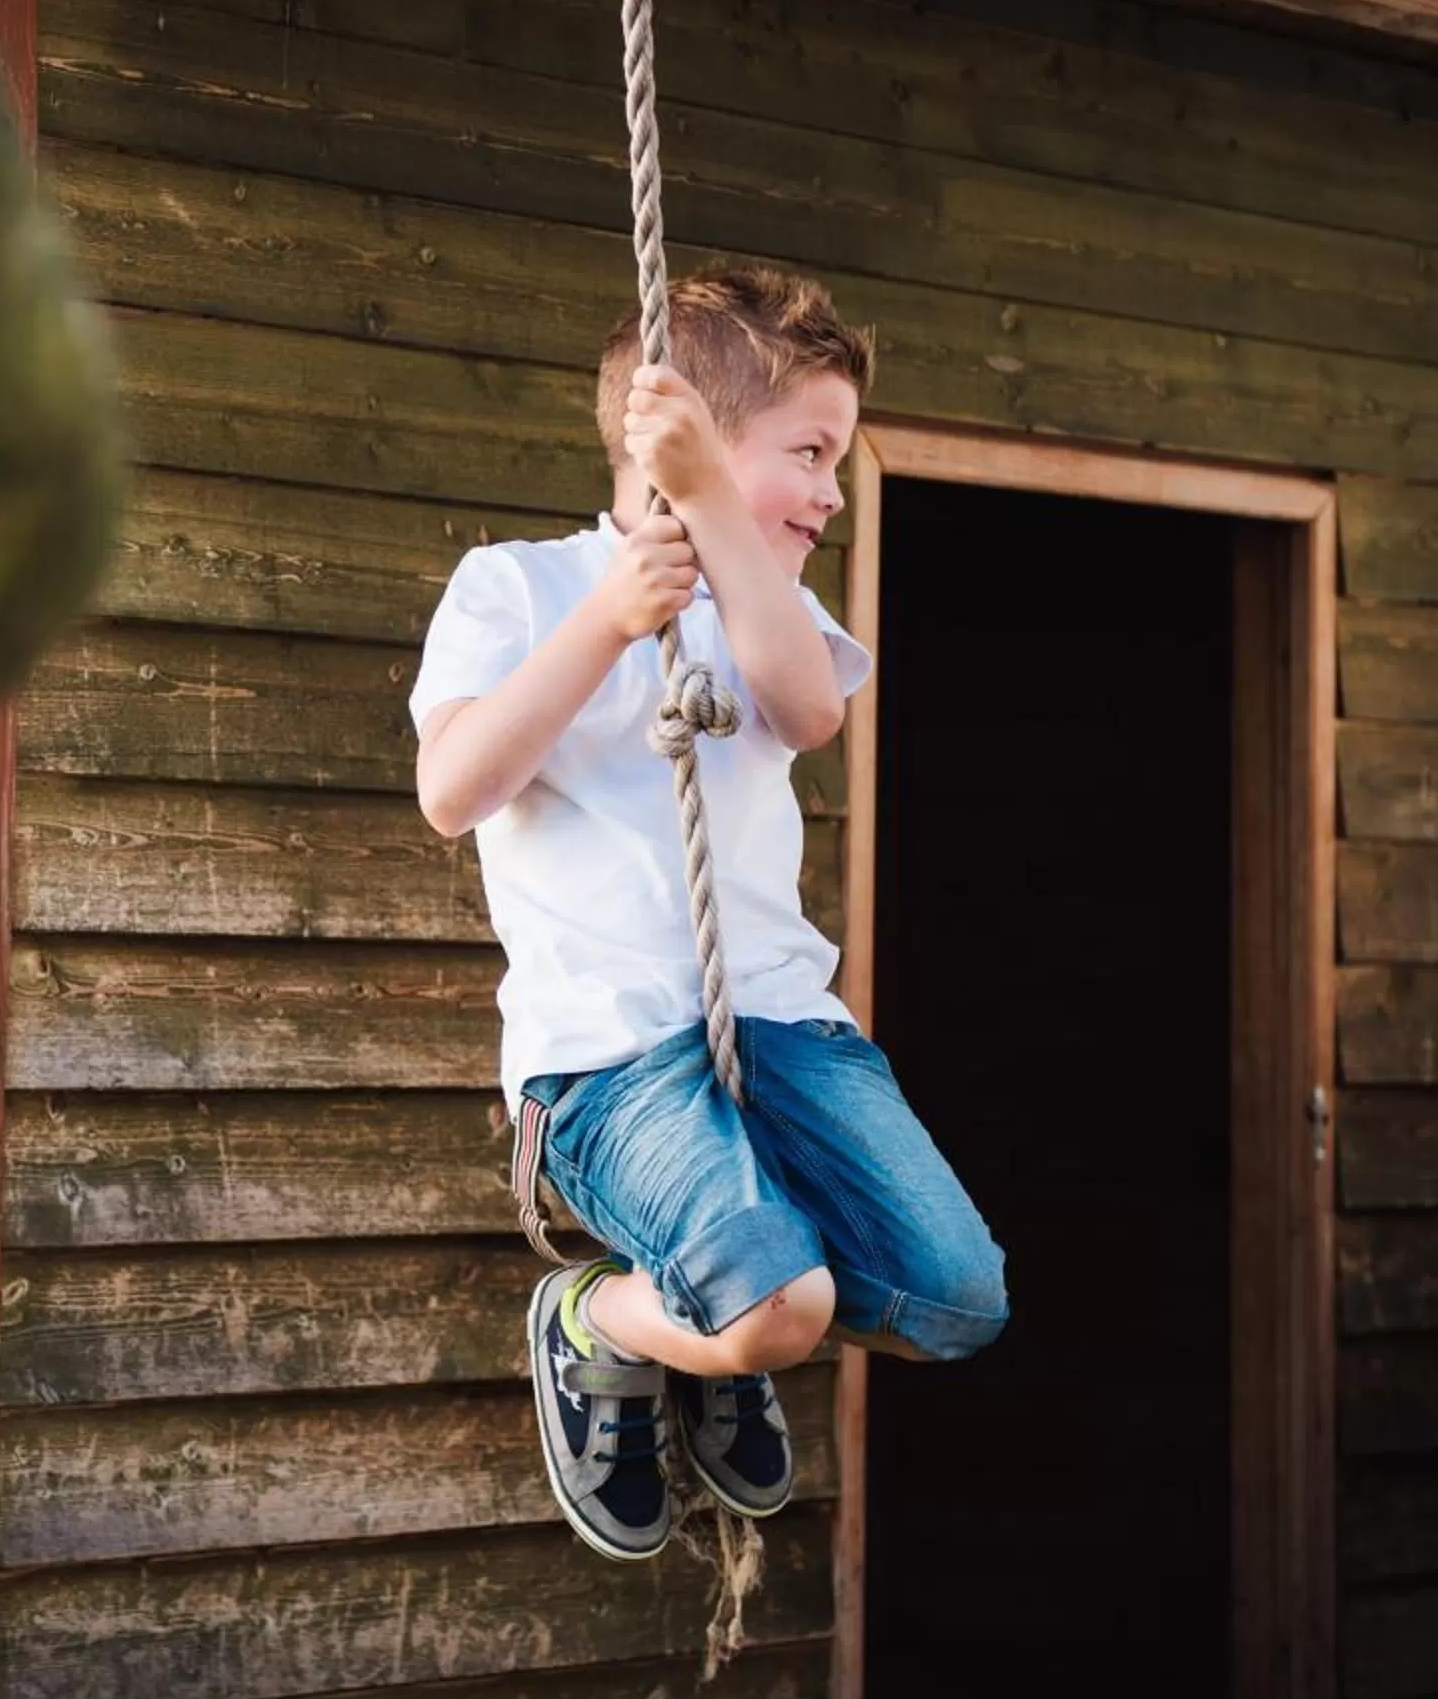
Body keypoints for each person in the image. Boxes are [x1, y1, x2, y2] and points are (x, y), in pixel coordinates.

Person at [410, 265, 1010, 1562]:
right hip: (609, 1056)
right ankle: (610, 1322)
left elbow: (810, 711)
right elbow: (455, 790)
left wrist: (711, 516)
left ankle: (721, 1288)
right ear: (686, 430)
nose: (834, 491)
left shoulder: (764, 610)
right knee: (786, 1305)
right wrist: (610, 621)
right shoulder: (516, 585)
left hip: (781, 1026)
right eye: (810, 451)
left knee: (962, 1294)